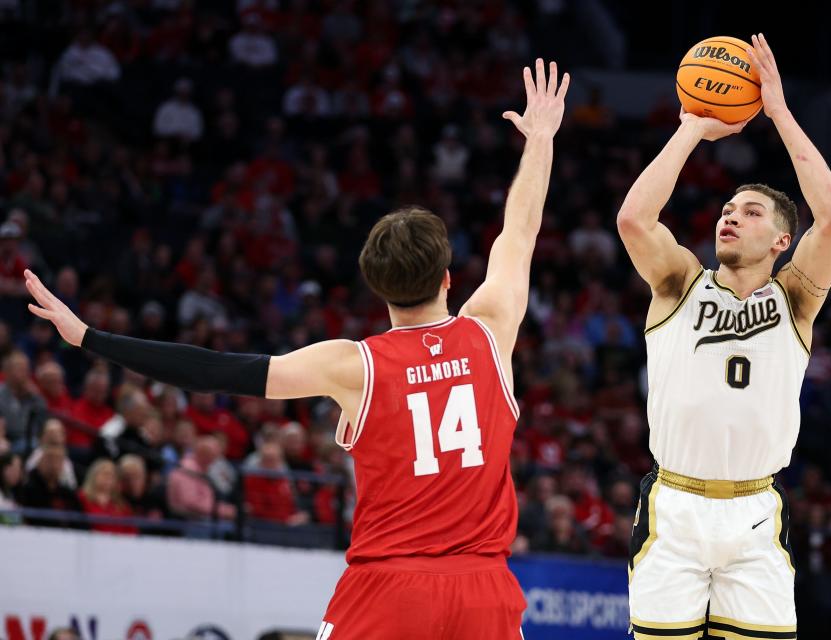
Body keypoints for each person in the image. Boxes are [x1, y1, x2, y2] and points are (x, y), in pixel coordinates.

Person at [23, 58, 569, 640]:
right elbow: (521, 229)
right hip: (484, 590)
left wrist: (91, 337)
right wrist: (539, 140)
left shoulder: (352, 364)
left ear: (376, 288)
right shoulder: (490, 330)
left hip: (390, 588)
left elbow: (215, 371)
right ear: (448, 278)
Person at [615, 35, 831, 639]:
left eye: (749, 212)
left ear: (780, 242)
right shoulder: (678, 283)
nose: (729, 216)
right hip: (676, 507)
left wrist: (778, 112)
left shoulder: (794, 299)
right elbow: (634, 220)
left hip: (754, 513)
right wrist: (691, 127)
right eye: (726, 208)